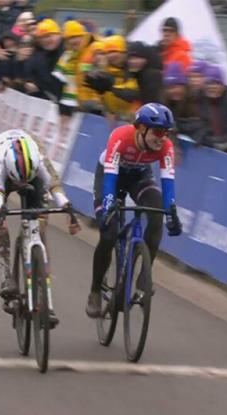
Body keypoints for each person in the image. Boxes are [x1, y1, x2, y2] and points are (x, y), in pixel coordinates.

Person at [85, 103, 182, 318]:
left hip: (139, 177)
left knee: (156, 214)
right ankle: (94, 290)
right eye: (157, 132)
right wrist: (109, 207)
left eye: (166, 132)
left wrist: (171, 213)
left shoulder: (165, 147)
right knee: (108, 234)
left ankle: (143, 276)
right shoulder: (120, 136)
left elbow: (168, 182)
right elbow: (110, 177)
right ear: (140, 128)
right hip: (111, 176)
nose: (162, 137)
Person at [0, 129, 80, 318]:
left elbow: (54, 186)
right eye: (20, 182)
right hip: (4, 175)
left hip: (32, 171)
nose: (22, 185)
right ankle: (6, 276)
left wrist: (67, 208)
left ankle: (44, 296)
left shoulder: (39, 157)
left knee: (41, 225)